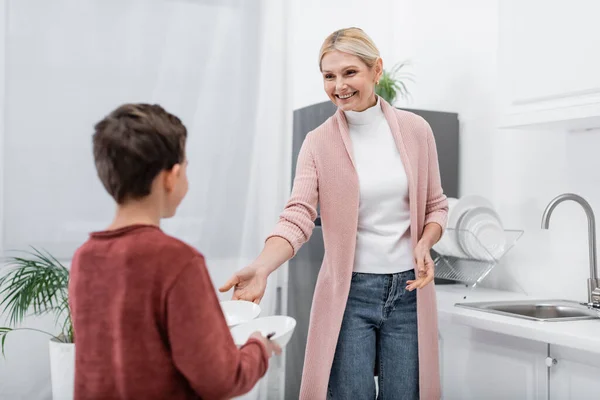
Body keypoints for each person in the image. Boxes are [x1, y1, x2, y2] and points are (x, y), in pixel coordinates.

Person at [220, 27, 448, 400]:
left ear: (376, 70)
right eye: (329, 76)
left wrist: (426, 240)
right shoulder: (318, 142)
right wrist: (262, 266)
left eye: (349, 73)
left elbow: (436, 206)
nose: (339, 86)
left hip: (408, 293)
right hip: (351, 293)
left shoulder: (416, 131)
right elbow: (297, 216)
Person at [68, 103, 281, 400]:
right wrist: (258, 347)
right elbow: (220, 379)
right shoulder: (178, 262)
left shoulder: (84, 259)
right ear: (172, 176)